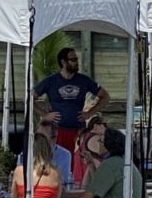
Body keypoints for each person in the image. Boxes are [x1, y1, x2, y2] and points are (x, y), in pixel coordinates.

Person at [33, 47, 109, 184]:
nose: (76, 62)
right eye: (73, 60)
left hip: (78, 130)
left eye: (76, 59)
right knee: (57, 160)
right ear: (63, 62)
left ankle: (77, 190)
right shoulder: (51, 81)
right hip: (57, 131)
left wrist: (90, 113)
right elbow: (28, 99)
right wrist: (44, 115)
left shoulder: (83, 80)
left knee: (78, 163)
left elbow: (105, 96)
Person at [78, 127, 144, 198]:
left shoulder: (110, 164)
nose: (97, 144)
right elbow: (99, 186)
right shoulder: (123, 161)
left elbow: (88, 197)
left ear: (107, 145)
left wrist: (63, 194)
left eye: (100, 141)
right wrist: (91, 164)